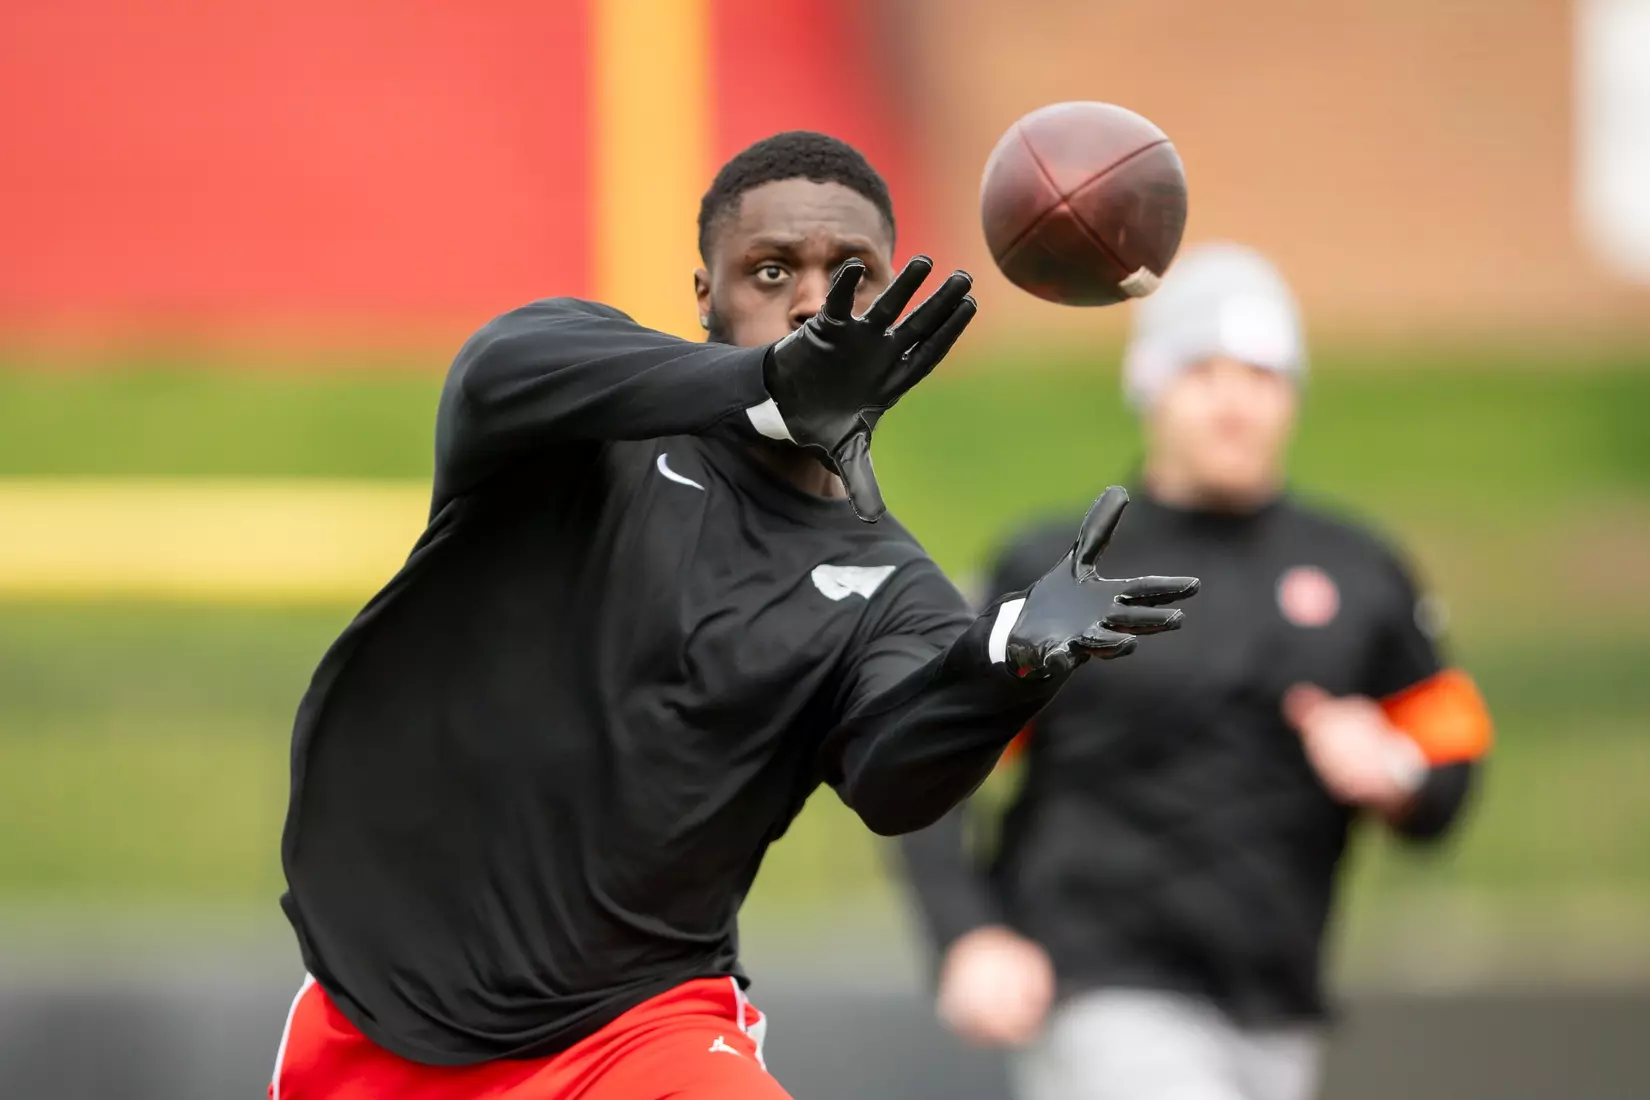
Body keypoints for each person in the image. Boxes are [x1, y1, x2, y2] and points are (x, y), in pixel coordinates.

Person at [268, 131, 1201, 1100]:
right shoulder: (581, 427)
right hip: (380, 1016)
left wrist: (1006, 664)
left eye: (852, 271)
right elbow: (501, 364)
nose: (813, 299)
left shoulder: (892, 588)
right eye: (772, 269)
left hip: (637, 1028)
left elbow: (893, 783)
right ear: (704, 294)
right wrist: (767, 392)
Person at [897, 243, 1494, 1100]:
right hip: (1100, 990)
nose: (1234, 402)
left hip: (1277, 1005)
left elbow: (1452, 758)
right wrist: (969, 933)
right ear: (1150, 383)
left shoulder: (1360, 571)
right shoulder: (1064, 568)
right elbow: (929, 760)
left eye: (1261, 375)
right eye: (1204, 372)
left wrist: (1395, 771)